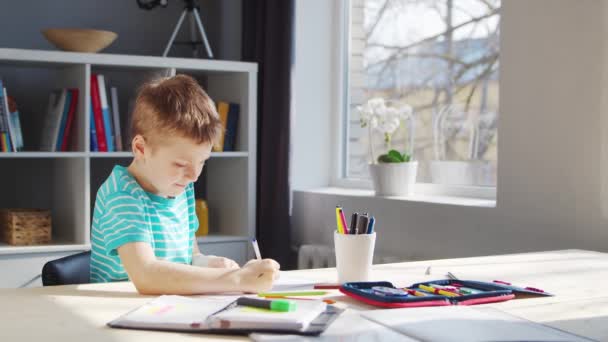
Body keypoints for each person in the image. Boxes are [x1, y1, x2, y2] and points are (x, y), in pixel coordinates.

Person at [90, 74, 279, 294]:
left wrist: (206, 263)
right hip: (116, 310)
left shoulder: (181, 187)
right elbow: (147, 275)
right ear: (141, 149)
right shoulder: (122, 195)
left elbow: (190, 256)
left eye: (202, 162)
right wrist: (236, 279)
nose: (194, 175)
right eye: (180, 164)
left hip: (167, 306)